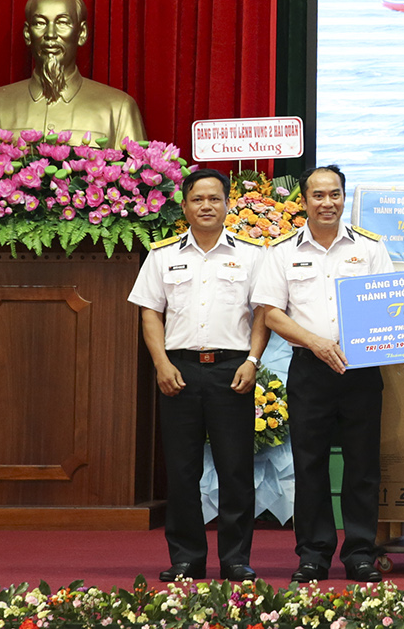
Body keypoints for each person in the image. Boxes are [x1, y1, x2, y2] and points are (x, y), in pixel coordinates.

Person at [253, 164, 394, 584]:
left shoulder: (370, 248)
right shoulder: (282, 251)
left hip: (360, 368)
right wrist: (316, 342)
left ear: (344, 198)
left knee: (362, 466)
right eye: (318, 195)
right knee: (309, 464)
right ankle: (313, 555)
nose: (327, 203)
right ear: (304, 201)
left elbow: (391, 306)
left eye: (335, 194)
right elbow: (271, 313)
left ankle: (360, 553)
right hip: (310, 369)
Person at [128, 168, 268, 581]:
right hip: (180, 370)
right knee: (182, 470)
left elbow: (264, 313)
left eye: (214, 199)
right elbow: (150, 313)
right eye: (198, 199)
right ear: (185, 206)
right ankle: (186, 558)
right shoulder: (162, 255)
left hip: (232, 369)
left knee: (236, 469)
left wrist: (252, 361)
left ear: (227, 204)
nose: (206, 206)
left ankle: (235, 559)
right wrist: (161, 364)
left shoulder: (252, 255)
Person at [0, 0, 147, 146]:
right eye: (40, 23)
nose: (51, 34)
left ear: (82, 33)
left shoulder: (119, 109)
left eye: (62, 23)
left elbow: (135, 171)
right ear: (28, 34)